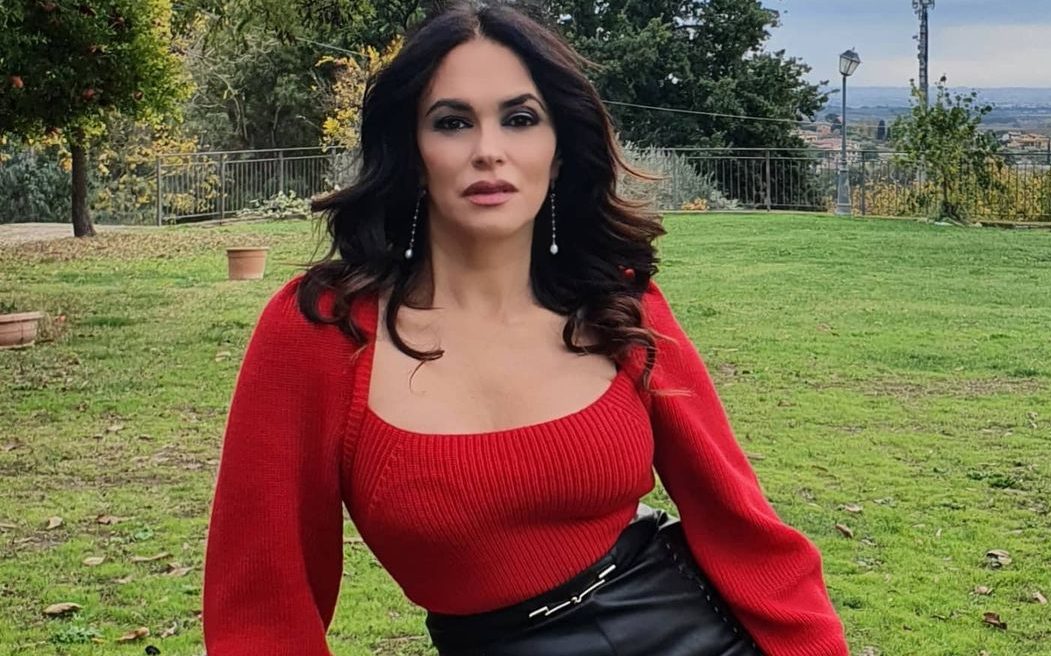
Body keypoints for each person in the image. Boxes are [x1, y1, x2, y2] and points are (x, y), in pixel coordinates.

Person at [202, 2, 849, 655]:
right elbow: (262, 610)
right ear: (413, 152)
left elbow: (741, 525)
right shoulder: (322, 329)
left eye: (520, 119)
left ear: (558, 151)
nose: (489, 151)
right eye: (452, 122)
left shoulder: (617, 304)